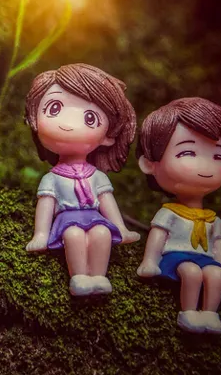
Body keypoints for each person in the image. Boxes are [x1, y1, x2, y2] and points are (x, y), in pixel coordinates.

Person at [25, 64, 141, 296]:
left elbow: (106, 201)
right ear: (34, 118)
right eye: (54, 108)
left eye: (90, 118)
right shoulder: (53, 178)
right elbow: (46, 205)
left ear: (109, 136)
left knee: (102, 234)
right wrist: (40, 235)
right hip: (68, 219)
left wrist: (120, 227)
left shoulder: (96, 176)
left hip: (94, 215)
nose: (68, 123)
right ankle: (78, 276)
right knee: (74, 235)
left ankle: (98, 276)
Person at [135, 97, 221, 334]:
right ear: (150, 164)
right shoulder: (169, 213)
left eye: (218, 156)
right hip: (175, 256)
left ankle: (211, 314)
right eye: (187, 152)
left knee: (215, 273)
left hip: (206, 257)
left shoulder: (213, 220)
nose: (205, 165)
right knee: (191, 273)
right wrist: (150, 261)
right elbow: (157, 237)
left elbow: (218, 246)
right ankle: (189, 313)